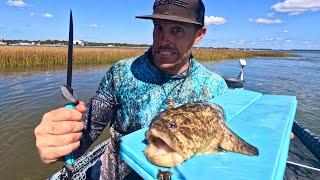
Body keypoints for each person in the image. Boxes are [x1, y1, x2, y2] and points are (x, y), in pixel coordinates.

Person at [34, 0, 228, 179]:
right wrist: (60, 140)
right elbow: (88, 129)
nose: (163, 40)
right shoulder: (122, 73)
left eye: (176, 30)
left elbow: (216, 157)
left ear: (199, 35)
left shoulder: (214, 88)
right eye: (158, 28)